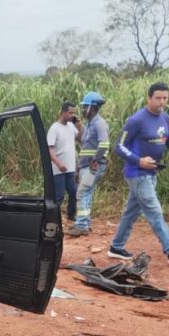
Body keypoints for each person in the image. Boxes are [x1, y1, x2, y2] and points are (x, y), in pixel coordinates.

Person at [108, 82, 169, 265]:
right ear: (149, 98)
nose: (162, 102)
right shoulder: (136, 120)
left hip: (152, 174)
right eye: (158, 98)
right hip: (136, 173)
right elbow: (118, 146)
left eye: (165, 98)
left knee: (131, 212)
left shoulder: (165, 118)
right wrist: (139, 160)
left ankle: (116, 247)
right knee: (154, 210)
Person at [68, 91, 109, 237]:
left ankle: (82, 225)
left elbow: (104, 144)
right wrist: (78, 125)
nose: (84, 110)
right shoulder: (91, 124)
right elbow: (84, 142)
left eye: (85, 107)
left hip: (93, 166)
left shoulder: (99, 123)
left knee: (82, 193)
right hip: (87, 166)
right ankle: (84, 222)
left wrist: (95, 160)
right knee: (87, 193)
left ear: (93, 107)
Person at [47, 102, 81, 223]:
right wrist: (58, 163)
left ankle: (71, 215)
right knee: (59, 196)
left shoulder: (71, 126)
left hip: (70, 168)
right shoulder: (54, 128)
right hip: (58, 169)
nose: (72, 115)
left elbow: (81, 139)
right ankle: (52, 219)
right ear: (63, 112)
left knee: (73, 191)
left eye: (74, 113)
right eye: (70, 112)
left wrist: (79, 124)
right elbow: (49, 149)